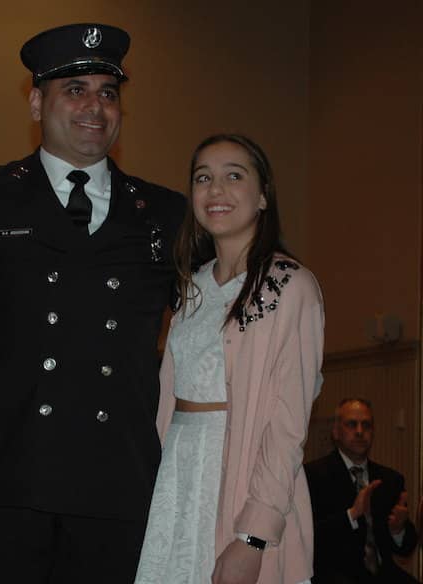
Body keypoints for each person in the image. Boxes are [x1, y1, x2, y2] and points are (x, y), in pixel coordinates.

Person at [0, 23, 186, 584]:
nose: (94, 106)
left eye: (107, 91)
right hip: (9, 482)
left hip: (115, 485)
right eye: (75, 89)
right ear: (35, 102)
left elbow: (215, 322)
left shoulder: (165, 214)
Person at [136, 134, 324, 584]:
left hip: (239, 486)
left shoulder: (291, 286)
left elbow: (287, 426)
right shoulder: (191, 286)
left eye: (233, 176)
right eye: (204, 178)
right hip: (176, 484)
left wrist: (252, 537)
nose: (216, 189)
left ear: (262, 196)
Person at [305, 398, 419, 583]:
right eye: (352, 424)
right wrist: (351, 515)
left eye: (366, 425)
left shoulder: (390, 480)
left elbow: (406, 548)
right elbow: (309, 536)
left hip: (383, 575)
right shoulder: (313, 475)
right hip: (334, 574)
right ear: (336, 432)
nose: (360, 431)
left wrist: (398, 530)